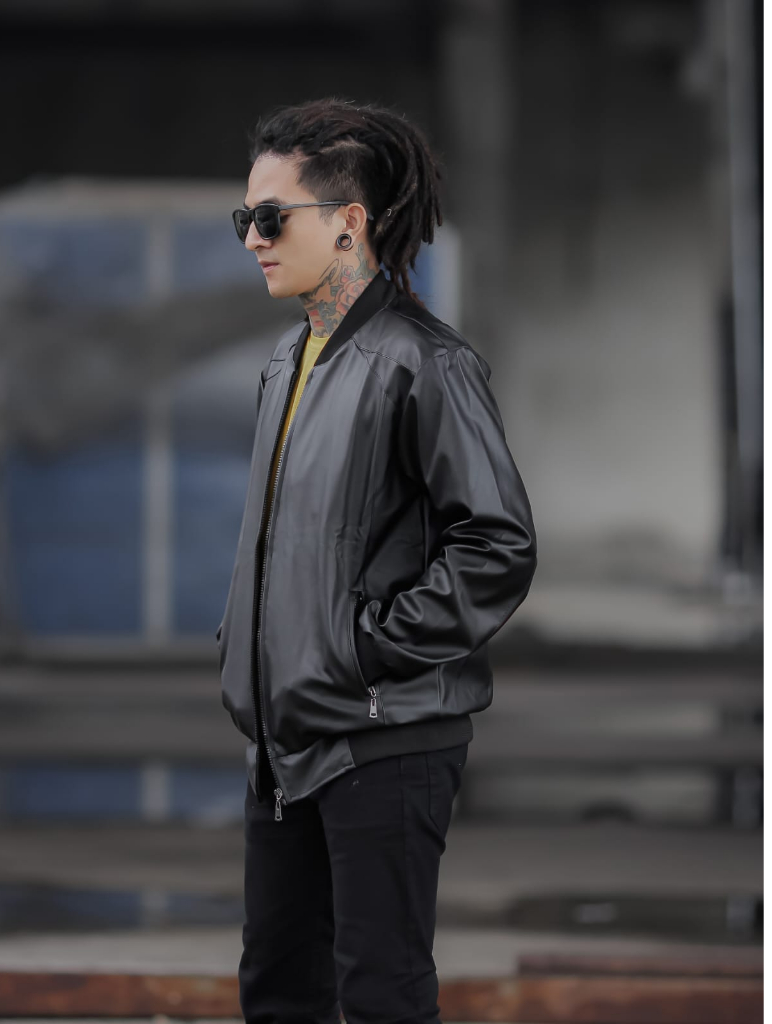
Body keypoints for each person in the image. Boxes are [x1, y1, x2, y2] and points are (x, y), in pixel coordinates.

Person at [216, 97, 538, 1024]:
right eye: (245, 219)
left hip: (382, 738)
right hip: (285, 744)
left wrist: (363, 650)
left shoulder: (423, 363)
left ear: (347, 221)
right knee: (279, 991)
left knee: (381, 996)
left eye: (271, 217)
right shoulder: (290, 360)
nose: (253, 239)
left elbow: (497, 544)